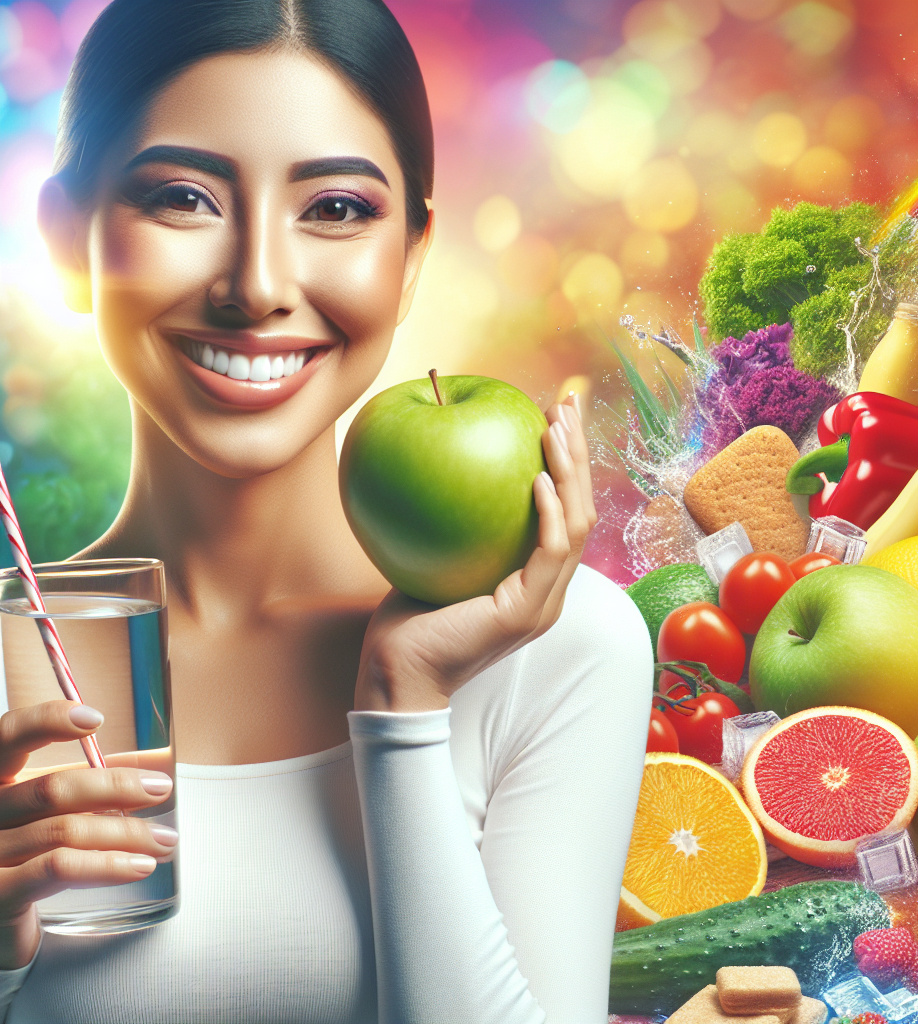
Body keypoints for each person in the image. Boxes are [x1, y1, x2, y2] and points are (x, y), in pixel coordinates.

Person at [0, 1, 653, 1021]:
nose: (258, 284)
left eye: (337, 209)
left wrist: (403, 707)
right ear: (64, 240)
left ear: (414, 254)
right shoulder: (9, 667)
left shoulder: (559, 646)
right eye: (182, 197)